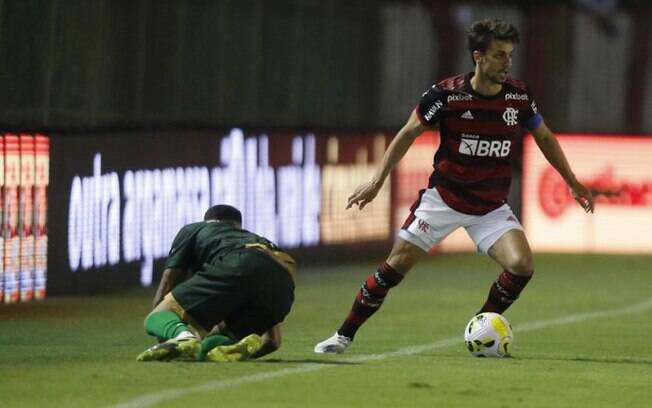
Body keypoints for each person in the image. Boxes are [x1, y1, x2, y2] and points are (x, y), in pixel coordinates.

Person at [314, 18, 594, 354]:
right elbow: (407, 134)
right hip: (443, 200)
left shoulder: (518, 97)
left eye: (510, 55)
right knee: (394, 267)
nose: (508, 63)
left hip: (490, 207)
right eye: (500, 55)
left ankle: (482, 325)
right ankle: (343, 335)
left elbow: (544, 137)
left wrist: (573, 182)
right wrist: (377, 181)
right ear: (479, 56)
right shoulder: (447, 95)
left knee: (522, 265)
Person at [137, 204, 296, 362]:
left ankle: (183, 337)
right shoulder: (257, 240)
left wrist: (165, 329)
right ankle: (230, 346)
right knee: (209, 347)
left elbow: (168, 283)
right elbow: (273, 342)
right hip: (284, 286)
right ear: (237, 225)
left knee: (157, 316)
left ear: (208, 221)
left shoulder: (195, 229)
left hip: (238, 263)